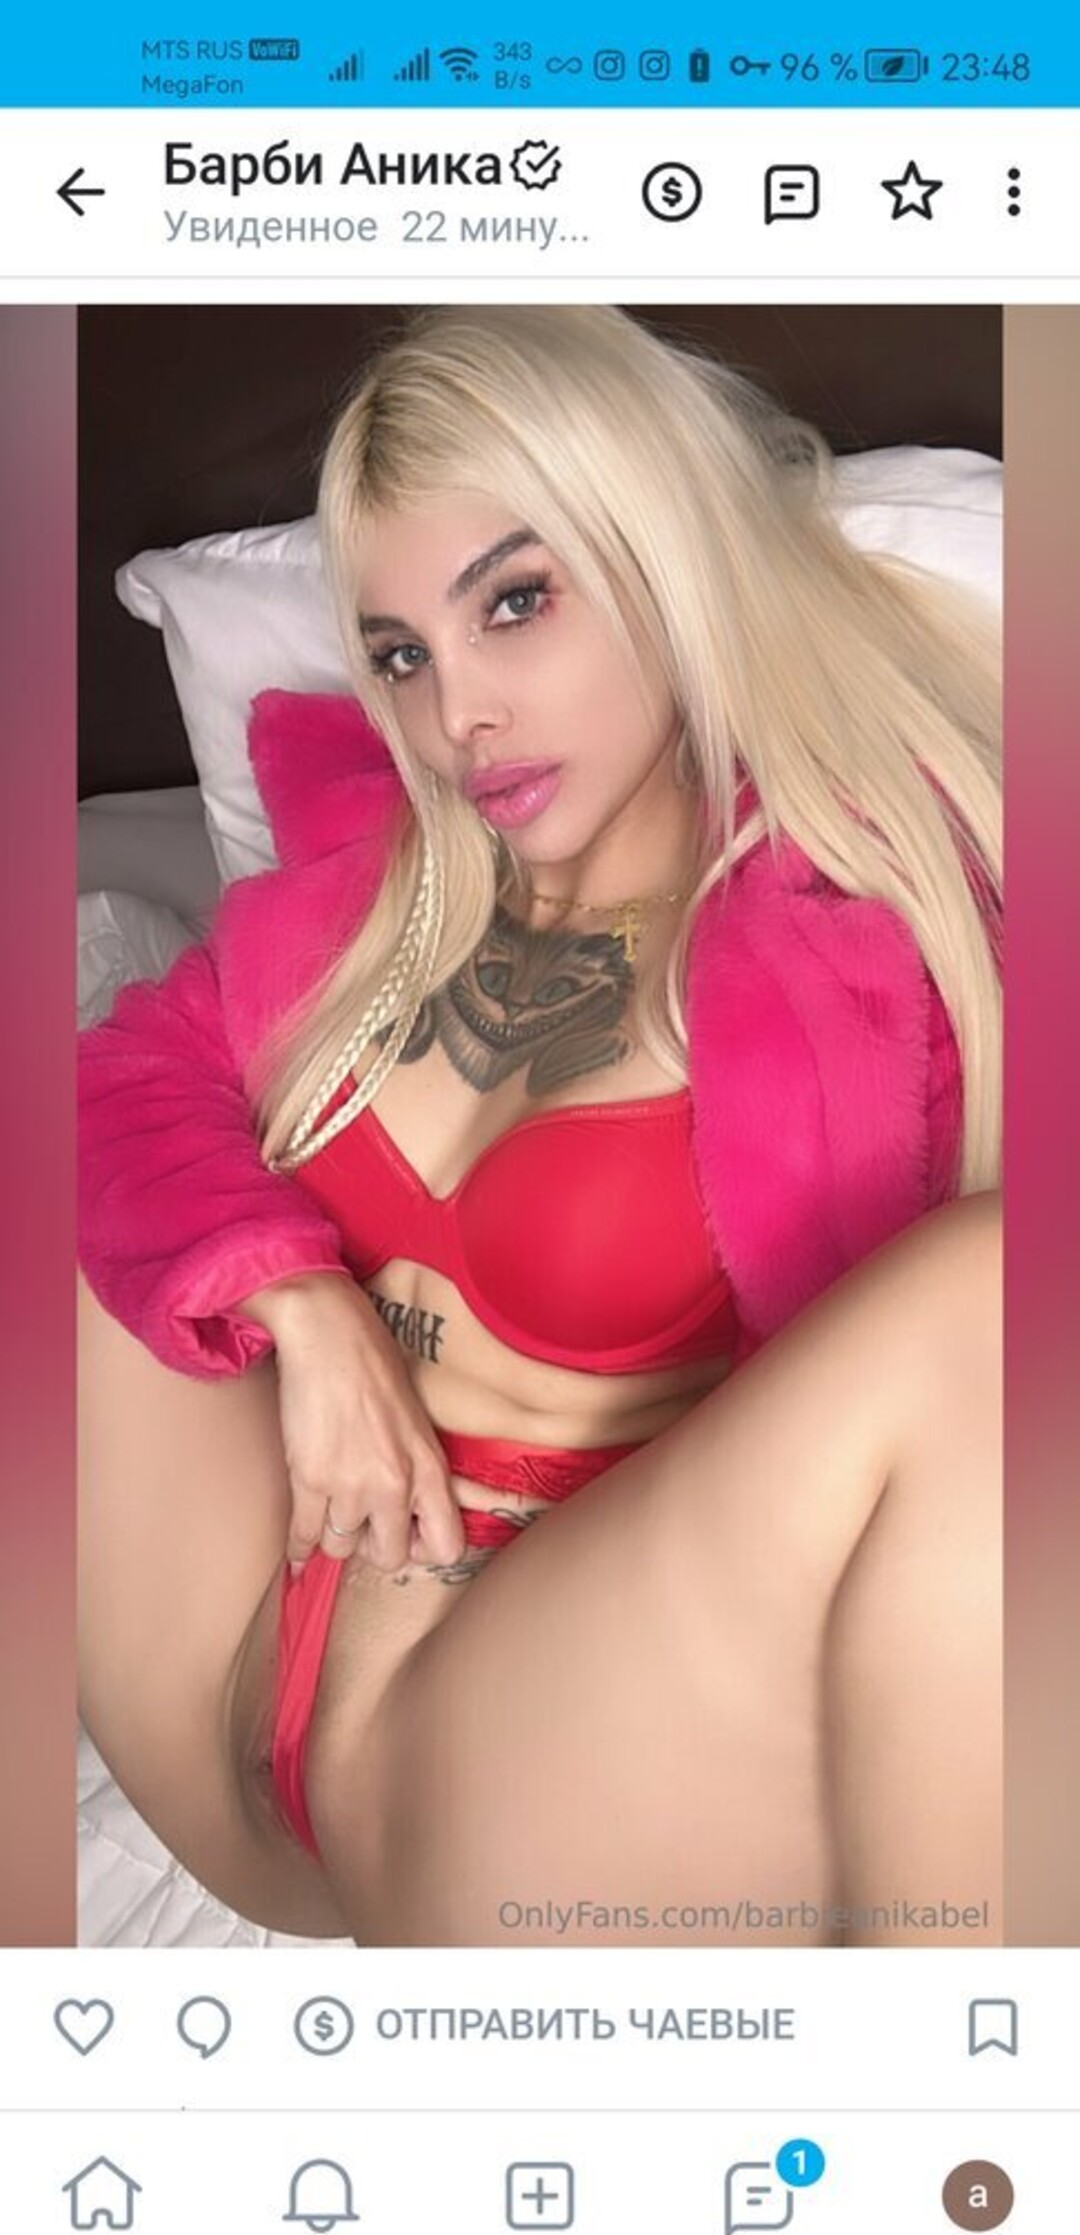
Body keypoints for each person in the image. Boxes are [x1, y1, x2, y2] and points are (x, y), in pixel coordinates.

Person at [78, 305, 1002, 1947]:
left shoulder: (864, 942)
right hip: (227, 1701)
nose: (461, 718)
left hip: (529, 1784)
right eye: (403, 655)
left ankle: (953, 2065)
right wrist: (300, 1306)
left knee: (1000, 1294)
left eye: (516, 602)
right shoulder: (367, 902)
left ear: (664, 557)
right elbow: (122, 1088)